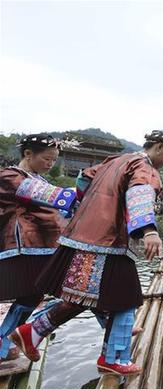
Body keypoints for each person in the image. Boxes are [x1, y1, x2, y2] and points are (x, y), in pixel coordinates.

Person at [11, 130, 163, 375]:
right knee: (120, 298)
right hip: (108, 240)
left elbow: (82, 180)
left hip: (85, 235)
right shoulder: (144, 167)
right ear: (159, 147)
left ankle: (33, 332)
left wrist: (86, 210)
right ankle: (113, 358)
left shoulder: (115, 160)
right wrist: (149, 230)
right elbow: (139, 193)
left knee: (88, 296)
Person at [0, 134, 77, 362]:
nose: (50, 164)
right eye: (47, 158)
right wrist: (82, 191)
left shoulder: (39, 180)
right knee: (73, 287)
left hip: (43, 245)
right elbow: (46, 196)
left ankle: (5, 340)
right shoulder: (10, 176)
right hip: (25, 245)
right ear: (27, 154)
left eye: (54, 160)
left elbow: (60, 206)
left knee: (31, 296)